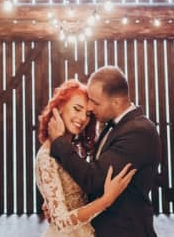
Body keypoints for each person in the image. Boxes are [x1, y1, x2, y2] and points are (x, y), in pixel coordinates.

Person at [48, 66, 161, 237]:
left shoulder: (139, 132)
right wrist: (59, 202)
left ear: (116, 102)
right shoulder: (113, 125)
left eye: (95, 102)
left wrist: (59, 142)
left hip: (125, 231)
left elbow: (94, 179)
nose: (90, 108)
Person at [36, 79, 137, 237]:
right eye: (77, 109)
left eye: (88, 114)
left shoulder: (76, 150)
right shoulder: (45, 157)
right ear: (59, 108)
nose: (83, 118)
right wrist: (105, 201)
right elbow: (61, 223)